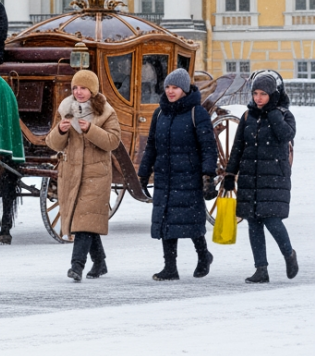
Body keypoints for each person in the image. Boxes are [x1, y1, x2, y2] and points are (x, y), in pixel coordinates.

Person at [138, 67, 218, 281]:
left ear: (184, 89)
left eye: (175, 87)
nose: (171, 91)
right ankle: (170, 268)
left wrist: (208, 174)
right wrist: (143, 173)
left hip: (188, 176)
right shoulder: (160, 113)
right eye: (168, 87)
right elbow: (152, 146)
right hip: (165, 175)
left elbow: (208, 146)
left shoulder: (196, 113)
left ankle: (203, 256)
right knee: (166, 222)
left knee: (190, 220)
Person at [223, 72, 299, 283]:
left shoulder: (284, 115)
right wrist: (230, 174)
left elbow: (286, 136)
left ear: (273, 95)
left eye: (263, 94)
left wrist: (272, 112)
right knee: (254, 223)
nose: (258, 98)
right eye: (255, 93)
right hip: (250, 177)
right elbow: (237, 147)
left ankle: (289, 254)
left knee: (272, 221)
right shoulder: (248, 117)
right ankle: (261, 269)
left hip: (273, 178)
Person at [46, 69, 121, 282]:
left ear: (93, 91)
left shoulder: (106, 112)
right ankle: (100, 262)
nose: (79, 92)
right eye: (75, 88)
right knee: (86, 220)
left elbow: (113, 141)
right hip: (71, 173)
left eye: (84, 88)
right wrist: (60, 130)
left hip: (96, 175)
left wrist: (90, 130)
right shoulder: (65, 110)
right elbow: (52, 143)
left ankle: (76, 266)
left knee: (83, 222)